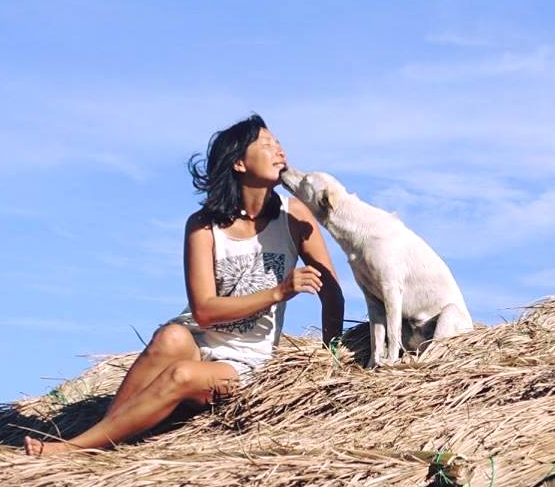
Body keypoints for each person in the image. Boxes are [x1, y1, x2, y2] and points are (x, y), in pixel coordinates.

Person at [24, 115, 344, 454]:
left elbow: (332, 293)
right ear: (238, 163)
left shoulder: (293, 216)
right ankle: (100, 438)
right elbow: (204, 311)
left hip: (246, 363)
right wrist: (278, 292)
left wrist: (331, 357)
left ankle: (76, 448)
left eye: (278, 143)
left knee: (182, 375)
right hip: (199, 340)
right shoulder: (203, 226)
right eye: (266, 144)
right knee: (170, 336)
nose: (279, 150)